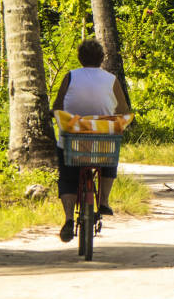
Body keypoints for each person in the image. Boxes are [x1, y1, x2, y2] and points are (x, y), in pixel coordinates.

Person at [51, 39, 130, 242]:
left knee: (68, 177)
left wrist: (55, 113)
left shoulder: (70, 76)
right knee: (110, 158)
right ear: (102, 59)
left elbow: (58, 106)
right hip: (101, 141)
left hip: (73, 140)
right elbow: (123, 111)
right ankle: (103, 200)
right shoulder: (111, 79)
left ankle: (69, 218)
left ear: (80, 58)